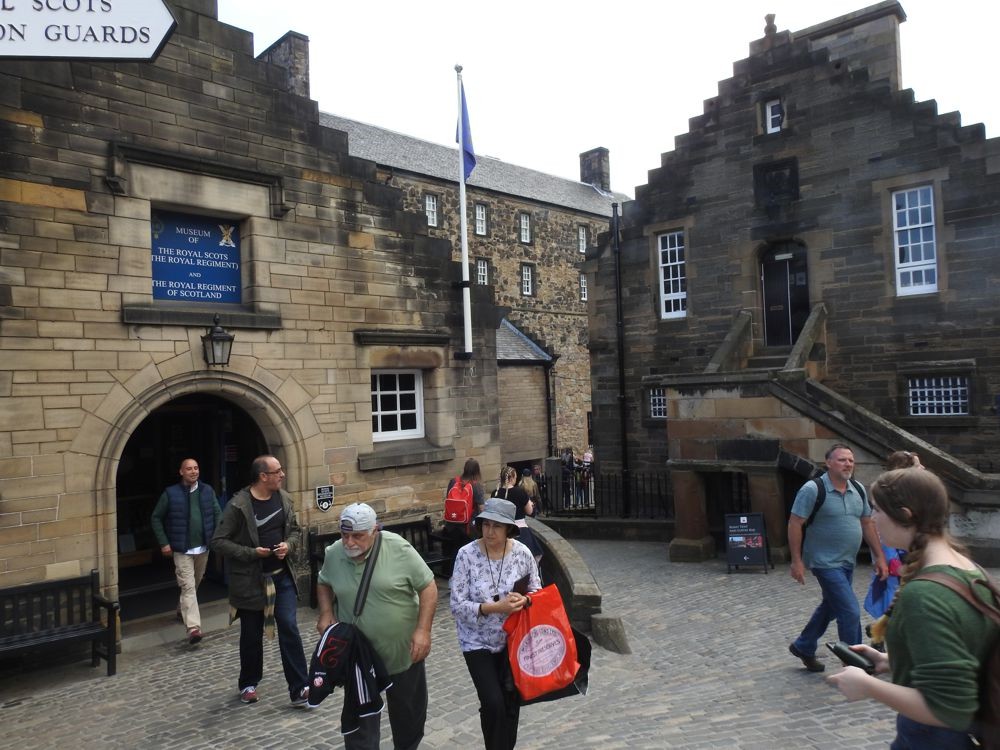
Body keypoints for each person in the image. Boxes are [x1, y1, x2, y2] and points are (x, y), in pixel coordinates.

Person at [827, 468, 1000, 749]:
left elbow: (948, 711)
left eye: (877, 509)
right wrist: (891, 661)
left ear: (905, 515)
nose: (872, 518)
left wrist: (869, 686)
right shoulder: (968, 567)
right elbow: (959, 652)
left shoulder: (923, 595)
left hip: (934, 739)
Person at [316, 503, 438, 750]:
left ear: (374, 531)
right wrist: (326, 612)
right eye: (345, 535)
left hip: (401, 651)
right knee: (360, 722)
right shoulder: (334, 553)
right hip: (358, 657)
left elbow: (428, 587)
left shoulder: (398, 548)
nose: (349, 542)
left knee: (408, 715)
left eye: (357, 536)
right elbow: (323, 581)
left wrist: (423, 630)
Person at [211, 454, 309, 706]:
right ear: (263, 476)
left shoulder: (284, 498)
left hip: (281, 577)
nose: (282, 475)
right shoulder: (238, 506)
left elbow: (295, 531)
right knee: (251, 634)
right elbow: (218, 542)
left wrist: (288, 545)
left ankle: (300, 688)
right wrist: (252, 553)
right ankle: (248, 683)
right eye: (277, 471)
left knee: (289, 627)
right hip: (251, 582)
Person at [450, 497, 542, 750]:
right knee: (493, 703)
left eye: (497, 526)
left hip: (513, 639)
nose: (489, 531)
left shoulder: (522, 554)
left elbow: (536, 590)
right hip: (476, 641)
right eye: (486, 524)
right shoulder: (466, 555)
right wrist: (494, 608)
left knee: (510, 702)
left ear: (509, 529)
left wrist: (525, 599)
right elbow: (457, 605)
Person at [788, 443, 888, 671]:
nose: (848, 464)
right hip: (824, 561)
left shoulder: (858, 489)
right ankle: (855, 663)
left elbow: (867, 523)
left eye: (851, 460)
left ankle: (803, 646)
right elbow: (795, 523)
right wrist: (796, 561)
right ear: (828, 463)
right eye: (842, 460)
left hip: (847, 561)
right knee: (849, 610)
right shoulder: (813, 489)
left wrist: (880, 557)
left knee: (832, 606)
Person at [150, 457, 221, 644]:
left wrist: (218, 536)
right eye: (189, 468)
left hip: (203, 548)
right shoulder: (170, 493)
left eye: (196, 468)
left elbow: (217, 514)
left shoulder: (207, 490)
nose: (193, 471)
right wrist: (164, 543)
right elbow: (156, 517)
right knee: (188, 586)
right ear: (181, 472)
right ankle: (193, 628)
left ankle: (181, 610)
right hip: (182, 549)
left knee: (194, 584)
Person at [864, 450, 923, 648]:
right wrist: (888, 558)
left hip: (908, 554)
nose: (921, 468)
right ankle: (882, 633)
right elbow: (879, 529)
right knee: (892, 593)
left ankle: (881, 630)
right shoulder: (889, 495)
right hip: (895, 556)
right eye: (916, 465)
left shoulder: (911, 493)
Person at [442, 458, 487, 570]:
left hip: (452, 524)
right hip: (468, 527)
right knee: (470, 553)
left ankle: (453, 574)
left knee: (455, 551)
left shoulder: (453, 481)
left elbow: (449, 500)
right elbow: (482, 508)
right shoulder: (476, 486)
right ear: (477, 470)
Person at [494, 466, 542, 564]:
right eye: (515, 477)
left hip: (501, 530)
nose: (516, 479)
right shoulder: (520, 492)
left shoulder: (495, 493)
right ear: (511, 478)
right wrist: (531, 505)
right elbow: (529, 511)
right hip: (520, 530)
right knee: (530, 556)